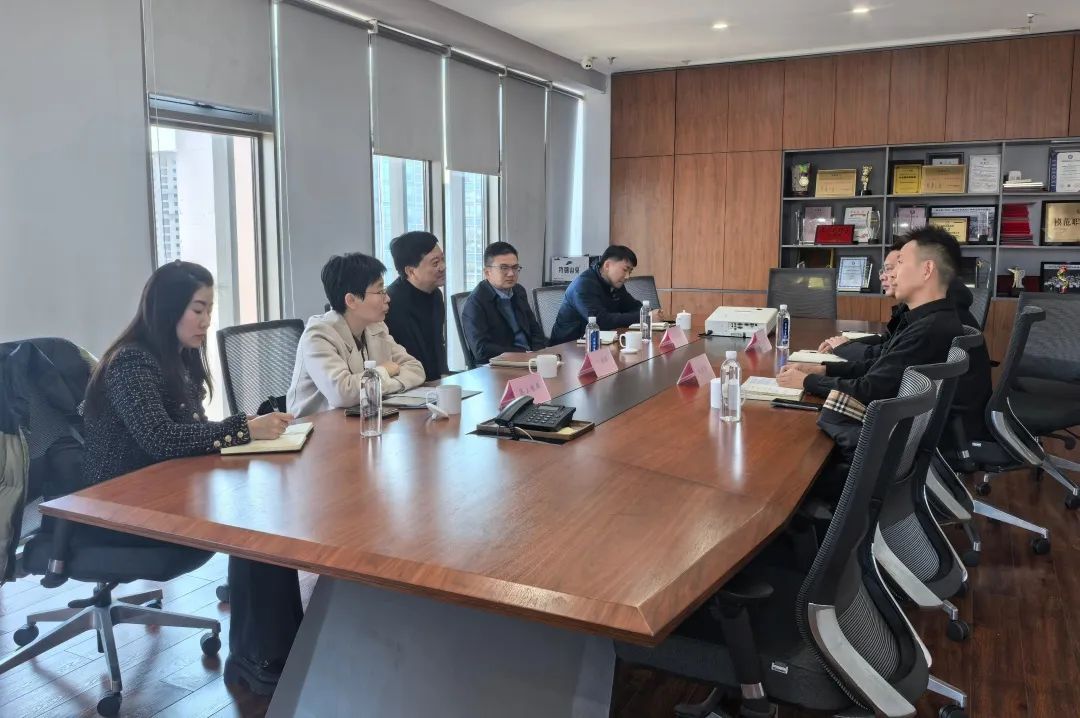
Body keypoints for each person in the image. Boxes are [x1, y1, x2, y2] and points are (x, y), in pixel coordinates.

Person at [82, 260, 300, 696]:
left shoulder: (175, 358)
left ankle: (278, 648)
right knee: (257, 522)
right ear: (168, 308)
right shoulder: (131, 363)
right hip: (119, 509)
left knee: (264, 508)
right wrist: (242, 430)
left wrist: (246, 429)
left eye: (209, 310)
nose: (206, 321)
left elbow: (187, 433)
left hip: (163, 488)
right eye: (198, 309)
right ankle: (261, 655)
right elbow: (161, 438)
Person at [776, 227, 964, 464]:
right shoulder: (929, 320)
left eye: (900, 263)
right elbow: (880, 366)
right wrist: (822, 370)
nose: (892, 275)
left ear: (926, 270)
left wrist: (807, 382)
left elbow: (870, 389)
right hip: (894, 441)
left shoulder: (929, 330)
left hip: (880, 454)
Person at [287, 253, 424, 417]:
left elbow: (416, 369)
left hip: (362, 419)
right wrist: (385, 370)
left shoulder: (375, 326)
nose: (387, 298)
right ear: (351, 300)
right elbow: (342, 393)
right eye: (380, 291)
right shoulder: (318, 335)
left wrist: (377, 384)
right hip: (315, 426)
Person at [460, 242, 547, 364]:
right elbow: (481, 350)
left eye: (515, 267)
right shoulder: (475, 303)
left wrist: (537, 354)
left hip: (529, 360)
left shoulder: (518, 291)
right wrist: (523, 355)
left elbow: (535, 330)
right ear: (487, 272)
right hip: (500, 366)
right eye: (504, 268)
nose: (511, 274)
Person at [548, 245, 647, 345]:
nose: (627, 276)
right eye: (625, 270)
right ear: (607, 265)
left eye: (630, 271)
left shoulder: (615, 284)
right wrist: (643, 316)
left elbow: (634, 306)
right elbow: (601, 321)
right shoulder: (583, 285)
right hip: (568, 347)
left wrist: (644, 313)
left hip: (600, 342)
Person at [384, 231, 447, 381]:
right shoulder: (392, 301)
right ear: (411, 271)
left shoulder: (435, 294)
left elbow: (438, 343)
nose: (443, 267)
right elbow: (409, 353)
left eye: (443, 259)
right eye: (435, 263)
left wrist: (444, 376)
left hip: (434, 381)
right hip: (407, 382)